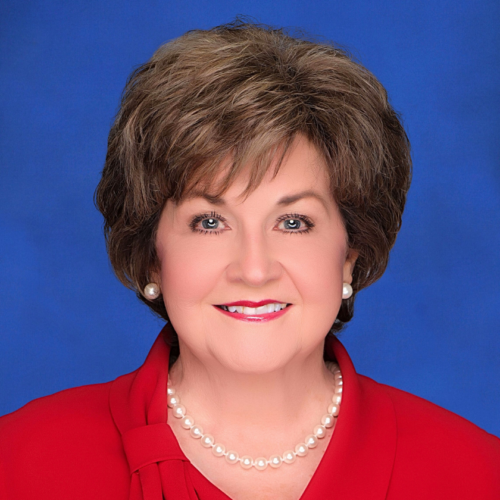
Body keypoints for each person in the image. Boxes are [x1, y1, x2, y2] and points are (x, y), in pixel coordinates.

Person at [0, 20, 498, 500]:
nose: (254, 269)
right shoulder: (19, 461)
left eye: (294, 222)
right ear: (152, 256)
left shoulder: (478, 472)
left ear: (350, 254)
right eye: (210, 222)